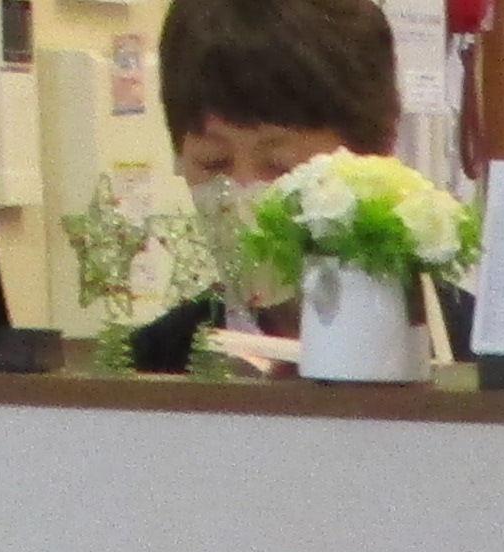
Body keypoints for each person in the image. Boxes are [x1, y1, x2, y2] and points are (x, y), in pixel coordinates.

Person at [135, 0, 405, 370]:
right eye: (213, 162)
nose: (243, 190)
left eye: (281, 166)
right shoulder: (146, 369)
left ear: (373, 156)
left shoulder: (464, 350)